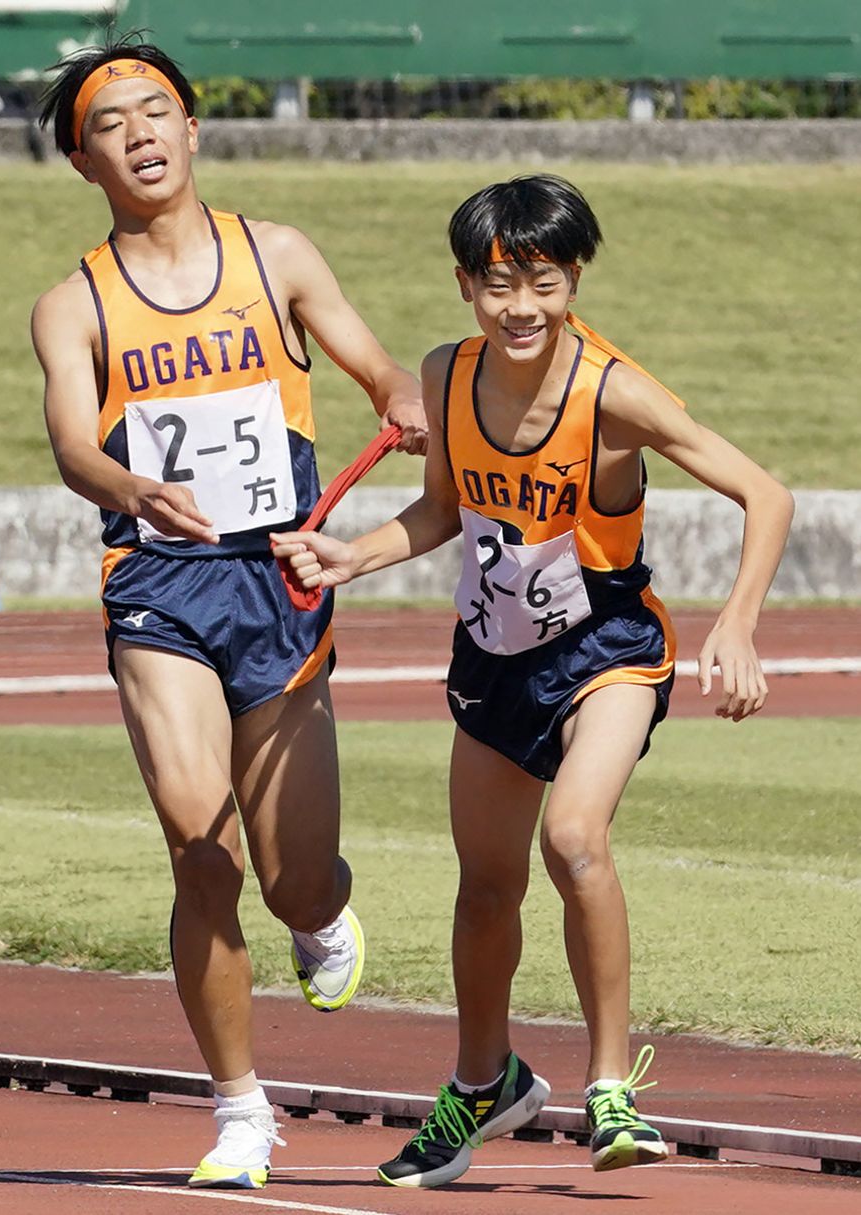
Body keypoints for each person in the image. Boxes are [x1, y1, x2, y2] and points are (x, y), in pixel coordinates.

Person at [272, 174, 795, 1185]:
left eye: (544, 283)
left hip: (607, 652)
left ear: (574, 277)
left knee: (574, 840)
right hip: (494, 655)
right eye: (499, 284)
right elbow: (440, 511)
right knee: (485, 888)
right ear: (467, 285)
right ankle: (482, 1084)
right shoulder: (447, 375)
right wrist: (351, 555)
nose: (522, 307)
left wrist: (739, 623)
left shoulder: (613, 392)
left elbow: (763, 494)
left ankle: (610, 1089)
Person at [31, 37, 427, 1191]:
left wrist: (400, 396)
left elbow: (374, 367)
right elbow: (68, 439)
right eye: (114, 122)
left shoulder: (279, 255)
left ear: (196, 130)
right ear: (82, 157)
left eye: (160, 112)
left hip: (283, 580)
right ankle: (241, 1112)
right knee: (198, 846)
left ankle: (316, 915)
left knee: (294, 876)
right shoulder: (73, 306)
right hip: (160, 589)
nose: (142, 133)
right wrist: (126, 484)